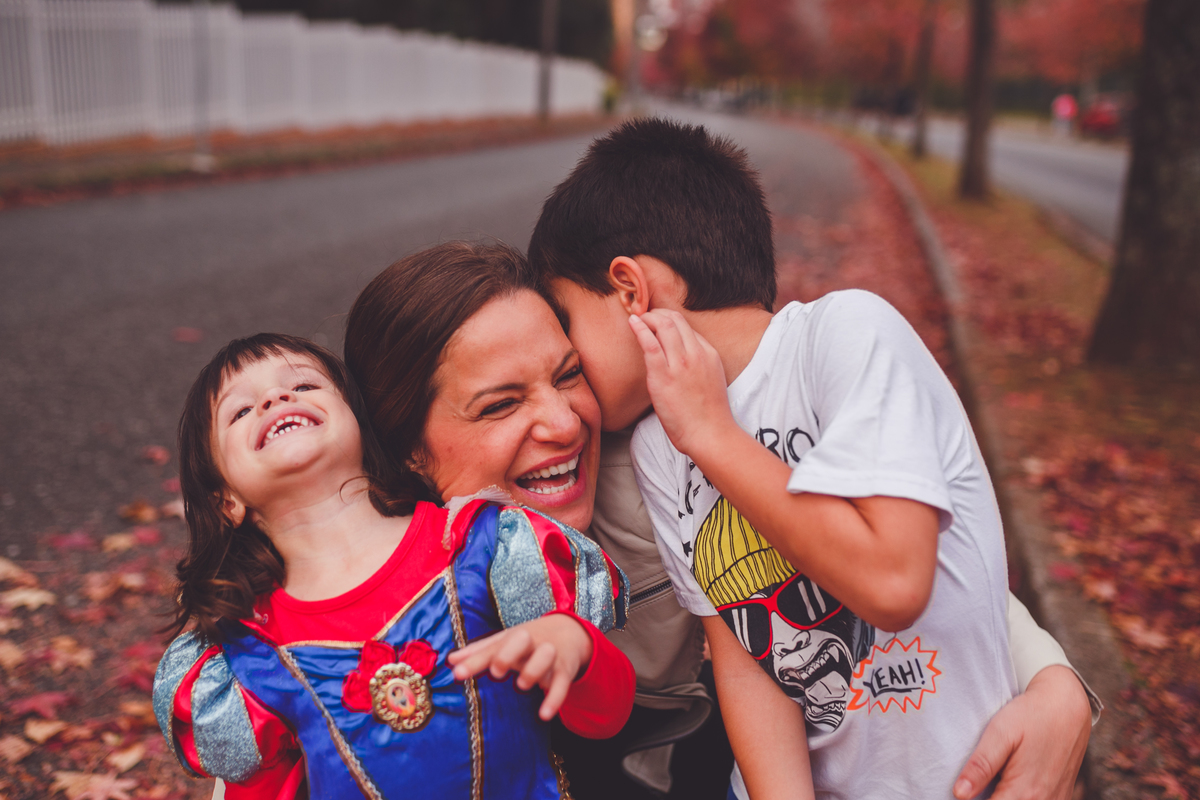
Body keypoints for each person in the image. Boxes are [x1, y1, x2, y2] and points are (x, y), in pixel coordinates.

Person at [345, 241, 1096, 799]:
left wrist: (1056, 682)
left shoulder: (656, 471)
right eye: (502, 404)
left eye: (569, 374)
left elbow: (875, 561)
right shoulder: (359, 578)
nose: (564, 423)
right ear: (409, 449)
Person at [525, 118, 1096, 799]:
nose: (568, 361)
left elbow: (893, 585)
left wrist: (714, 438)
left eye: (566, 319)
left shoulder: (847, 334)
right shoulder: (656, 445)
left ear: (629, 290)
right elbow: (742, 658)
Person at [153, 332, 635, 799]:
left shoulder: (483, 546)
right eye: (240, 409)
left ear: (361, 424)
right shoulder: (250, 652)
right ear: (225, 501)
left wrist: (576, 644)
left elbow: (606, 717)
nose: (276, 398)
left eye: (303, 385)